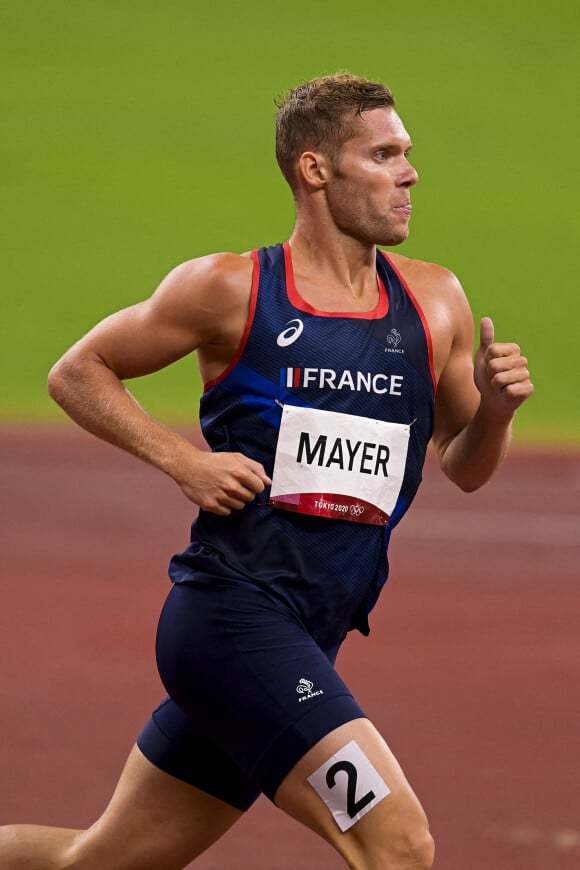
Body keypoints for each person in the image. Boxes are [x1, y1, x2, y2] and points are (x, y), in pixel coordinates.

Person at [0, 73, 533, 869]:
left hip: (306, 641)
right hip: (228, 624)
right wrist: (184, 461)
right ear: (316, 170)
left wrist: (492, 411)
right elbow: (79, 371)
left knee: (95, 863)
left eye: (407, 154)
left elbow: (465, 468)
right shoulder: (231, 288)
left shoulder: (435, 301)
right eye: (383, 154)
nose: (410, 173)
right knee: (399, 846)